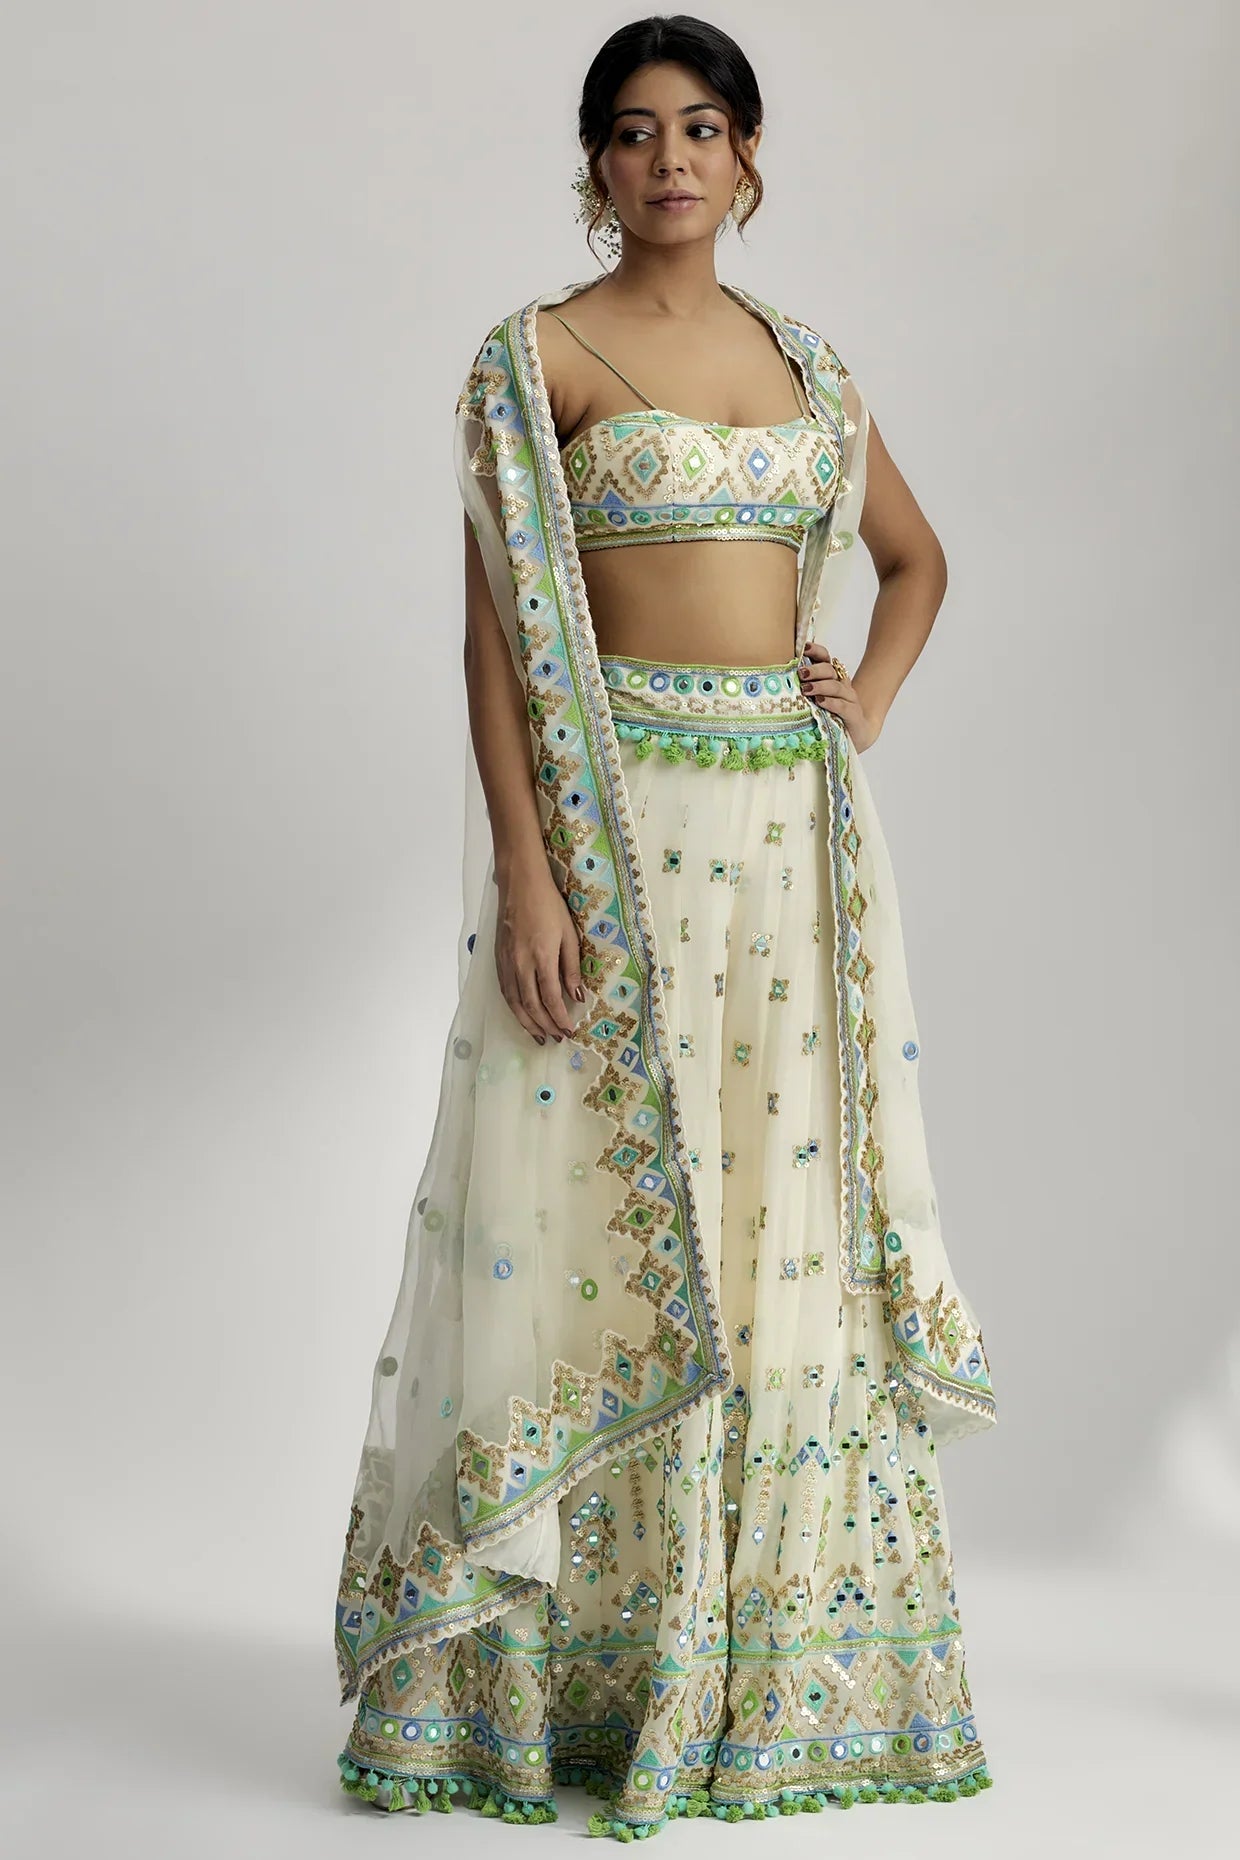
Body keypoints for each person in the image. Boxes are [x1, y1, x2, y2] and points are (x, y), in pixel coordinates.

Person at [332, 13, 998, 1840]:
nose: (671, 160)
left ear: (750, 152)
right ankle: (560, 1678)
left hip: (792, 849)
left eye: (702, 127)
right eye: (634, 132)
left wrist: (859, 700)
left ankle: (755, 1668)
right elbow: (497, 643)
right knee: (594, 1229)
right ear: (596, 164)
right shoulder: (536, 359)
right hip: (616, 834)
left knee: (779, 1228)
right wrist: (530, 874)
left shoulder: (811, 364)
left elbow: (917, 560)